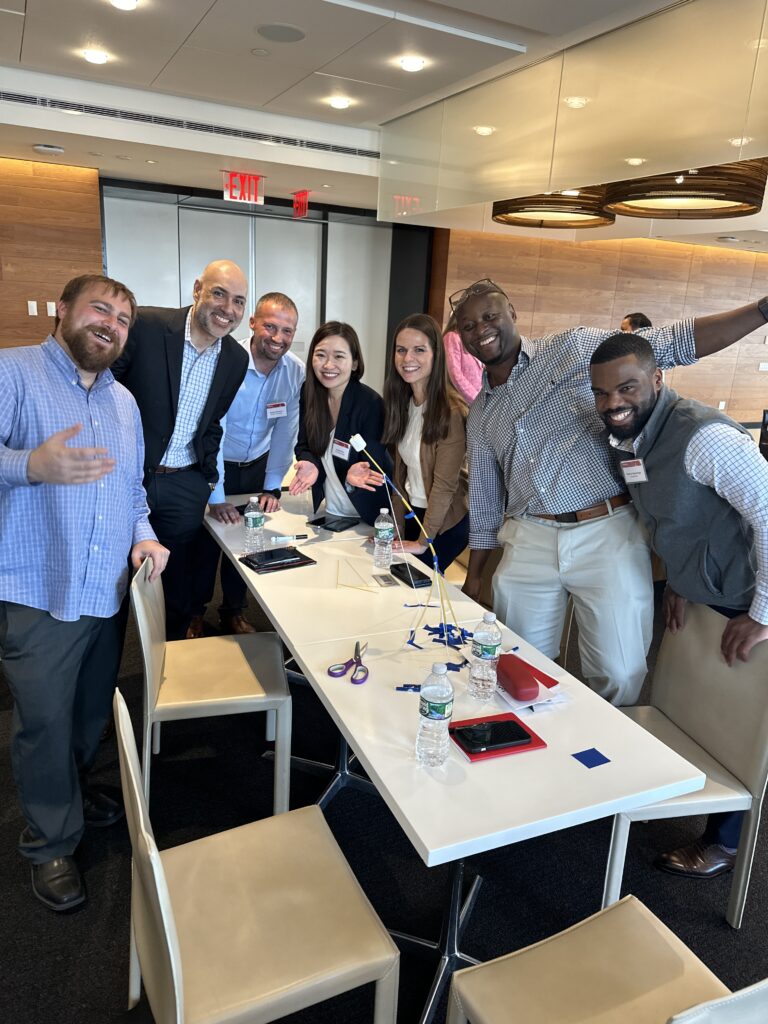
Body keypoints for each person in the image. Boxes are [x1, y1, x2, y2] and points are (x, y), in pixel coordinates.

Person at [457, 276, 768, 706]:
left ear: (512, 313)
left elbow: (674, 342)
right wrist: (474, 577)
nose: (481, 330)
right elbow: (487, 501)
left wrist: (761, 310)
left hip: (607, 528)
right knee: (519, 663)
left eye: (490, 316)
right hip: (529, 534)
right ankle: (534, 750)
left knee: (620, 668)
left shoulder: (574, 348)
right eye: (468, 326)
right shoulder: (481, 412)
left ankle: (605, 752)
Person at [0, 274, 169, 911]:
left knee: (87, 717)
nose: (112, 323)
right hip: (39, 591)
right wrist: (27, 465)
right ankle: (48, 841)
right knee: (43, 725)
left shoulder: (123, 404)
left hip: (107, 592)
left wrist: (144, 538)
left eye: (123, 318)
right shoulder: (13, 373)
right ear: (64, 310)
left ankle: (68, 791)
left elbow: (131, 495)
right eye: (100, 308)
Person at [590, 331, 768, 879]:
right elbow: (673, 516)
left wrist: (762, 612)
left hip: (744, 598)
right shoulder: (634, 438)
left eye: (627, 388)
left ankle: (726, 845)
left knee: (742, 731)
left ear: (658, 379)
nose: (614, 403)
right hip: (702, 593)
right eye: (602, 393)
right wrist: (680, 587)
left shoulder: (704, 438)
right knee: (698, 709)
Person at [112, 260, 249, 640]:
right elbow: (105, 394)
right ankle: (108, 671)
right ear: (197, 290)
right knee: (117, 578)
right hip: (127, 479)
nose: (228, 309)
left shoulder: (236, 359)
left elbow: (213, 423)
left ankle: (169, 663)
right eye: (219, 293)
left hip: (184, 484)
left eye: (239, 301)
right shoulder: (149, 327)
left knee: (175, 583)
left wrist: (206, 482)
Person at [187, 292, 304, 637]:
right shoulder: (227, 358)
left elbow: (286, 429)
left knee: (248, 539)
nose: (278, 338)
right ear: (252, 323)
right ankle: (194, 612)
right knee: (205, 545)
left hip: (256, 464)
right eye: (270, 326)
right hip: (214, 460)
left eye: (287, 330)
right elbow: (214, 427)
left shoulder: (293, 370)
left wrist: (272, 484)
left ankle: (233, 612)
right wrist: (216, 494)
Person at [379, 313, 469, 571]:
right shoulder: (402, 404)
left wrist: (422, 541)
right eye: (401, 350)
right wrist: (395, 532)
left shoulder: (451, 411)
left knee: (414, 591)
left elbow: (444, 486)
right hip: (415, 514)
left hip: (446, 524)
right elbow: (399, 478)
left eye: (419, 350)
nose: (408, 359)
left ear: (435, 355)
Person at [288, 321, 390, 523]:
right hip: (332, 511)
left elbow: (376, 465)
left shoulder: (370, 404)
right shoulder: (310, 394)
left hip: (368, 514)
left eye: (339, 356)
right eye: (320, 355)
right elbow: (305, 444)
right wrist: (310, 462)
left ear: (354, 363)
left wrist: (354, 475)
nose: (328, 365)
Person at [442, 312, 483, 403]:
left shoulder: (471, 338)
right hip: (461, 403)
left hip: (477, 404)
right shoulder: (452, 337)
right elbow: (454, 374)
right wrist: (476, 401)